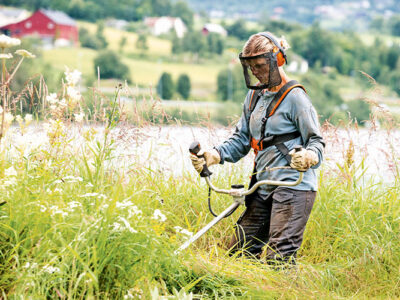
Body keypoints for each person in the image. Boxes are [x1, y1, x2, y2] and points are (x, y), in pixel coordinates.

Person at [190, 31, 325, 265]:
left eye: (260, 65)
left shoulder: (296, 98)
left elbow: (317, 142)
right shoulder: (253, 98)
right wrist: (213, 155)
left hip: (294, 187)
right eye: (251, 66)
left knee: (279, 257)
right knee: (239, 254)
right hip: (261, 187)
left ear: (277, 60)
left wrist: (309, 157)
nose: (255, 72)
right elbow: (241, 140)